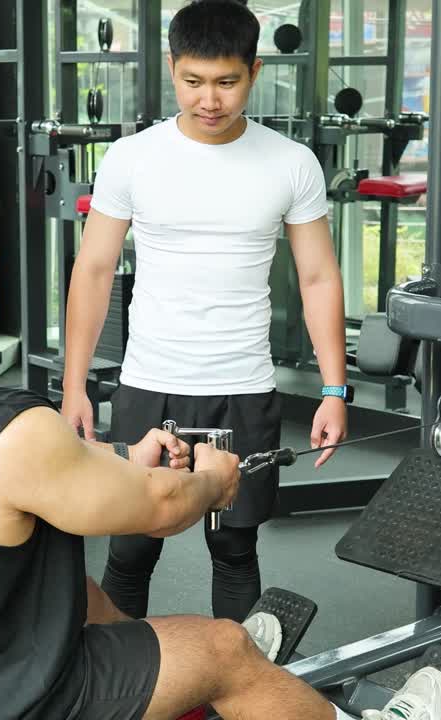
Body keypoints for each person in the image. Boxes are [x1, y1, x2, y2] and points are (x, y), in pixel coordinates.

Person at [0, 171, 441, 720]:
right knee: (224, 649)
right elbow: (163, 508)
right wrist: (214, 480)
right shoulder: (8, 430)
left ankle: (176, 683)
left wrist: (120, 456)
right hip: (4, 700)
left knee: (76, 593)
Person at [61, 0, 351, 624]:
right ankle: (119, 694)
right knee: (131, 549)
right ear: (171, 68)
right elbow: (92, 270)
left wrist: (333, 388)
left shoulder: (291, 162)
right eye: (192, 81)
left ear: (254, 70)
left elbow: (319, 275)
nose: (209, 100)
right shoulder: (132, 158)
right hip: (150, 379)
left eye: (226, 82)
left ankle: (234, 698)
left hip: (242, 386)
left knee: (234, 550)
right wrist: (74, 384)